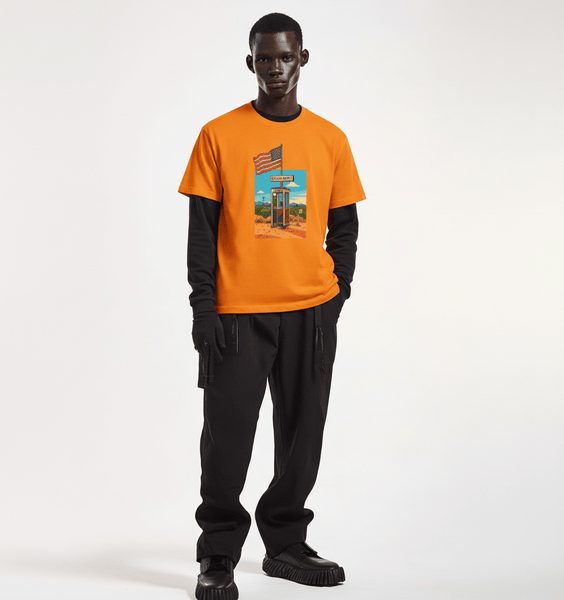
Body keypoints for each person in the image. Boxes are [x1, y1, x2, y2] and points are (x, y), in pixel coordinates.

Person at [178, 13, 365, 600]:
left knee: (303, 437)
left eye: (286, 57)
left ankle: (284, 543)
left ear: (302, 59)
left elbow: (345, 228)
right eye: (265, 58)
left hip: (311, 313)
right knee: (227, 440)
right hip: (237, 316)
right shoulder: (218, 135)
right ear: (250, 62)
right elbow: (201, 234)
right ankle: (218, 553)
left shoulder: (330, 139)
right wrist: (204, 309)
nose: (276, 68)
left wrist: (336, 295)